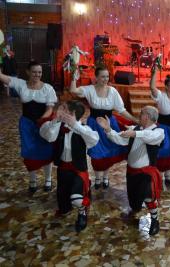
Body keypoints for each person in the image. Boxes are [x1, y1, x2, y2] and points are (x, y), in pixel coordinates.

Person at [97, 106, 165, 236]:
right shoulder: (135, 129)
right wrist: (108, 130)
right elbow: (119, 139)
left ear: (148, 117)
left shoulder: (159, 131)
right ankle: (136, 206)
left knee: (148, 196)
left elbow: (150, 137)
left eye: (141, 113)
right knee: (134, 204)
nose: (139, 115)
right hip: (131, 172)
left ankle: (155, 220)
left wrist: (135, 133)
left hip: (146, 173)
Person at [70, 67, 137, 189]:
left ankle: (105, 177)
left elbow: (121, 110)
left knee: (109, 150)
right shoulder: (89, 89)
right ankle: (97, 178)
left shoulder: (113, 91)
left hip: (109, 124)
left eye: (107, 76)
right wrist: (74, 77)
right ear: (96, 77)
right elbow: (73, 90)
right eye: (102, 76)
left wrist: (134, 119)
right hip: (94, 125)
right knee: (96, 152)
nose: (105, 79)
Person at [39, 101, 99, 232]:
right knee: (64, 207)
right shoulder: (57, 126)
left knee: (76, 199)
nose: (59, 110)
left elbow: (94, 140)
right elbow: (48, 137)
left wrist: (76, 126)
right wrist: (56, 121)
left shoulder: (84, 129)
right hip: (62, 169)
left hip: (78, 170)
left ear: (71, 114)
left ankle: (83, 212)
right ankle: (73, 201)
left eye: (63, 108)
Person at [0, 60, 57, 192]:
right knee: (29, 152)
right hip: (26, 124)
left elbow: (49, 108)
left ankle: (48, 179)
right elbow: (4, 78)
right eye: (34, 72)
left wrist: (42, 121)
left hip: (43, 124)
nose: (37, 74)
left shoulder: (48, 88)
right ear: (28, 72)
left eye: (39, 72)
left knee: (46, 150)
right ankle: (33, 180)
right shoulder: (21, 84)